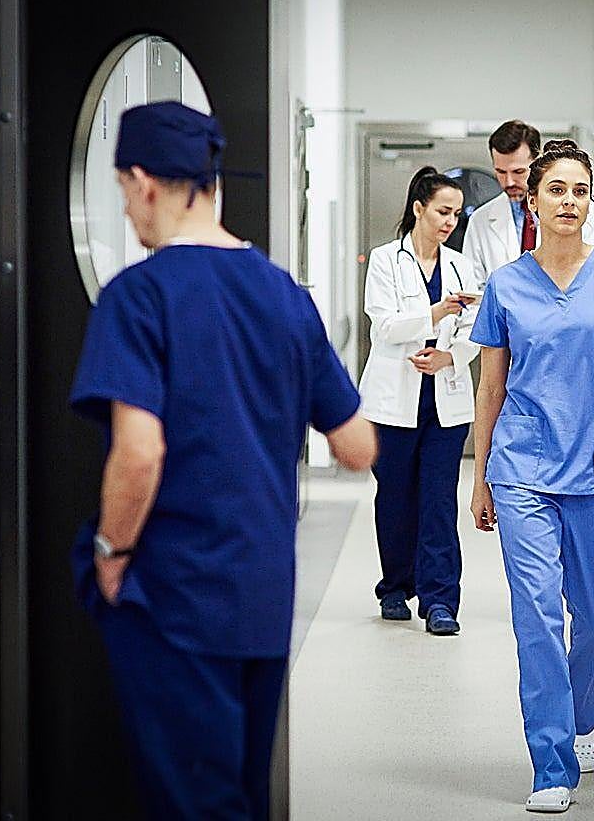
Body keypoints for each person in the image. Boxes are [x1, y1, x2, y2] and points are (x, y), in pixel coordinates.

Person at [68, 101, 377, 820]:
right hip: (261, 592)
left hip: (174, 594)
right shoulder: (284, 296)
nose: (127, 213)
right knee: (238, 792)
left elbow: (139, 452)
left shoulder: (139, 296)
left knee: (189, 801)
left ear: (144, 182)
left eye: (122, 194)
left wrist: (111, 552)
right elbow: (358, 446)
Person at [469, 139, 594, 813]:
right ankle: (550, 762)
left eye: (580, 191)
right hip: (522, 464)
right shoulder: (506, 284)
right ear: (533, 198)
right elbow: (490, 388)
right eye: (557, 190)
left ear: (591, 199)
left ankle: (583, 718)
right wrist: (480, 476)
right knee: (537, 617)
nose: (569, 202)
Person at [359, 167, 481, 634]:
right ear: (418, 209)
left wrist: (450, 356)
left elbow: (475, 330)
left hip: (444, 401)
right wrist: (435, 313)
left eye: (455, 213)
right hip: (393, 401)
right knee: (394, 498)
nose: (450, 220)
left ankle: (440, 601)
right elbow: (384, 326)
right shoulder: (387, 260)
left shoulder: (461, 265)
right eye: (442, 211)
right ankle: (394, 588)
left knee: (438, 502)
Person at [463, 120, 594, 288]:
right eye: (500, 172)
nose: (509, 182)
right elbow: (473, 291)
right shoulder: (481, 219)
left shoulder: (590, 213)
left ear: (536, 163)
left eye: (518, 172)